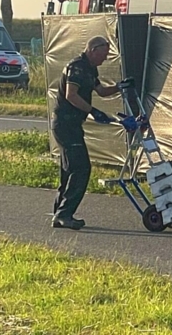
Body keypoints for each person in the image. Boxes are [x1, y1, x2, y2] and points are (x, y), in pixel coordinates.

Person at [51, 36, 126, 230]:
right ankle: (64, 214)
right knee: (81, 168)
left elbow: (101, 91)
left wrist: (120, 87)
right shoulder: (77, 67)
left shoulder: (90, 69)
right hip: (66, 124)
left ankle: (60, 213)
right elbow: (71, 95)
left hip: (73, 124)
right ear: (93, 49)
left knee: (69, 169)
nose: (105, 58)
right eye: (103, 54)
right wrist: (92, 111)